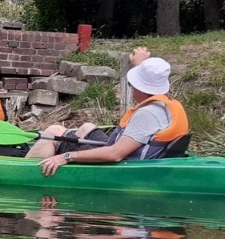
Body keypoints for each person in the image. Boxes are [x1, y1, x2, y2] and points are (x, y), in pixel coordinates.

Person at [26, 47, 189, 176]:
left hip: (120, 165)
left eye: (133, 84)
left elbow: (115, 154)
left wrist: (66, 156)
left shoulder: (147, 114)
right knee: (86, 127)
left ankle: (24, 172)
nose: (132, 88)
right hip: (131, 151)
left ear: (140, 87)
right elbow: (150, 85)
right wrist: (142, 66)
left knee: (53, 131)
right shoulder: (166, 103)